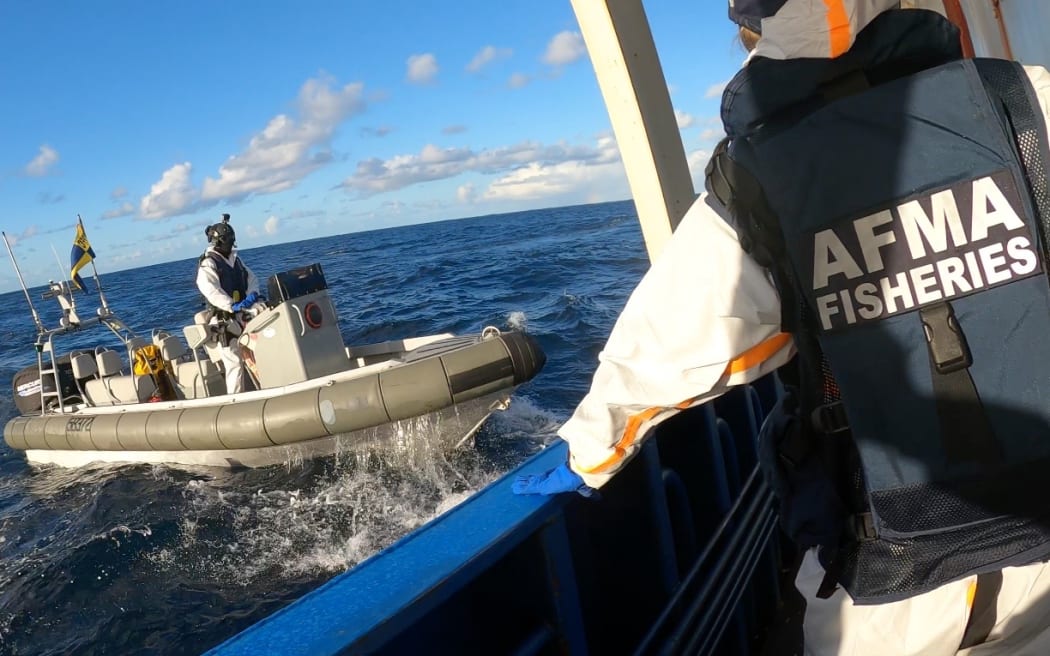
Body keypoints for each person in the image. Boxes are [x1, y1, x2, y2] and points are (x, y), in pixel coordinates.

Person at [514, 1, 1050, 654]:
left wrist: (588, 450)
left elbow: (681, 334)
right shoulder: (1023, 97)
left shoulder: (757, 174)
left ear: (754, 27)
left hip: (890, 565)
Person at [196, 213, 261, 394]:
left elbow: (252, 278)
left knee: (259, 355)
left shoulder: (236, 260)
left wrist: (252, 295)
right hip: (224, 321)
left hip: (243, 315)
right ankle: (236, 400)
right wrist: (230, 305)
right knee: (234, 364)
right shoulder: (209, 263)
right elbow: (209, 288)